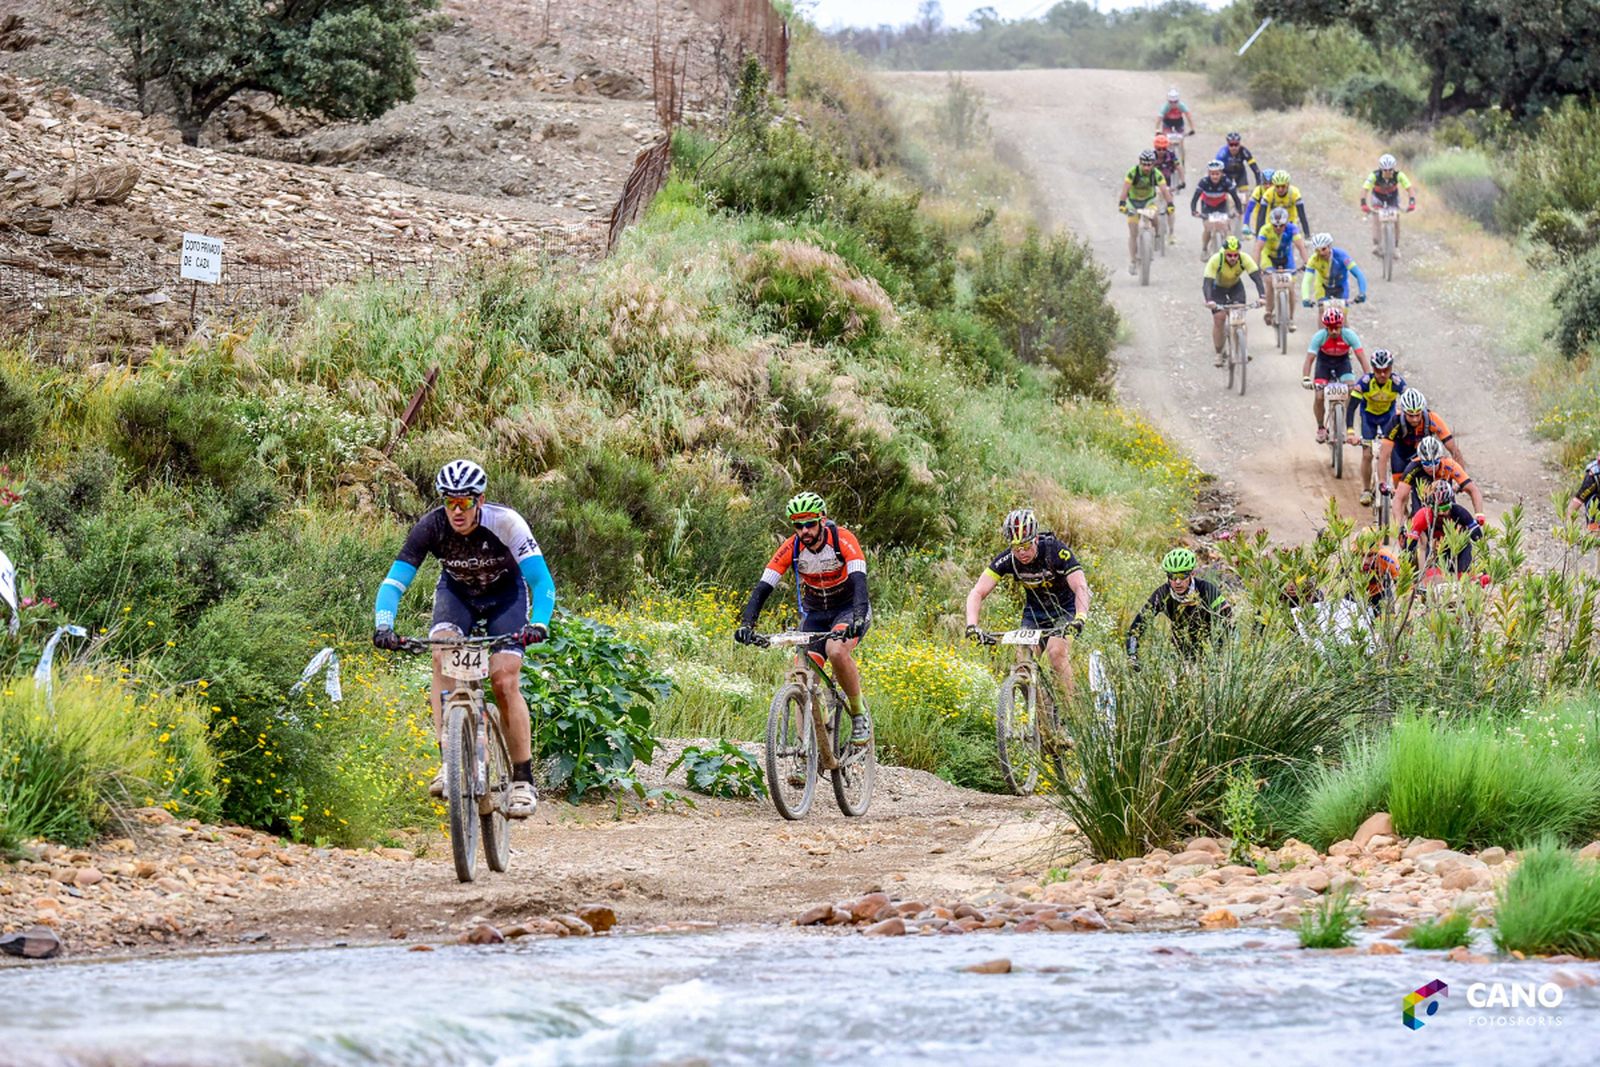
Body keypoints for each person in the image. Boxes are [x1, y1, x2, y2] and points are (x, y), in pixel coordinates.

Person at [372, 460, 555, 817]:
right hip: (458, 598)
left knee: (504, 680)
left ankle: (522, 780)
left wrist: (540, 623)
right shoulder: (431, 527)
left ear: (480, 500)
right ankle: (450, 761)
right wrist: (384, 625)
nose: (456, 511)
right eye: (449, 502)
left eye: (465, 503)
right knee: (441, 653)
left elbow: (541, 583)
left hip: (506, 597)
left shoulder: (506, 523)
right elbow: (394, 582)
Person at [735, 492, 873, 745]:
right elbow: (764, 586)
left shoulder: (843, 539)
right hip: (815, 614)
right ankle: (802, 750)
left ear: (822, 519)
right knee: (803, 676)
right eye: (798, 526)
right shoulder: (793, 547)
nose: (805, 531)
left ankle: (858, 714)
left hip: (847, 609)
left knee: (836, 651)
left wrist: (858, 617)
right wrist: (747, 624)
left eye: (810, 523)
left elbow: (859, 581)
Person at [964, 508, 1092, 700]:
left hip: (1065, 610)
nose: (1022, 552)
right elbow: (977, 592)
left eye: (1026, 546)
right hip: (1035, 613)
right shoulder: (1008, 559)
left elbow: (1081, 586)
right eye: (1016, 548)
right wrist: (972, 625)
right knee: (1023, 661)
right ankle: (1037, 716)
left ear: (1036, 539)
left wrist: (1080, 617)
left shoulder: (1055, 550)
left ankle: (1069, 713)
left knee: (1056, 652)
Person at [1125, 548, 1232, 667]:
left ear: (1192, 573)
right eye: (1172, 576)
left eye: (1182, 575)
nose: (1177, 581)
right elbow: (1135, 629)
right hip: (1179, 651)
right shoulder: (1162, 594)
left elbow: (1227, 619)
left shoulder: (1206, 589)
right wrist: (1132, 655)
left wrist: (1220, 655)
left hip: (1210, 649)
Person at [1377, 388, 1469, 502]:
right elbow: (1384, 454)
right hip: (1401, 454)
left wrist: (1461, 480)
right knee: (1400, 495)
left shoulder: (1432, 419)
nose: (1415, 419)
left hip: (1423, 457)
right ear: (1404, 412)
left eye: (1417, 414)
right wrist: (1382, 482)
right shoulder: (1396, 421)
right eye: (1410, 415)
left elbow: (1454, 450)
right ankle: (1404, 514)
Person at [1343, 348, 1407, 506]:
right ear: (1373, 369)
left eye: (1386, 370)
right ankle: (1365, 490)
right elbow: (1351, 408)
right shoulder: (1364, 383)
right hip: (1369, 418)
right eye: (1378, 371)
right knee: (1367, 454)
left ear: (1391, 369)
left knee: (1393, 453)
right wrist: (1350, 431)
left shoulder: (1397, 383)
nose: (1383, 375)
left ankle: (1397, 488)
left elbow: (1409, 404)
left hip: (1388, 418)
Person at [1301, 304, 1369, 443]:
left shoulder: (1349, 335)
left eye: (1336, 327)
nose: (1333, 331)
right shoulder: (1319, 336)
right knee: (1319, 396)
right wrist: (1306, 378)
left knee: (1351, 389)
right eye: (1330, 327)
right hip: (1324, 364)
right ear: (1325, 327)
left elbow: (1362, 357)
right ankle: (1321, 427)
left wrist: (1368, 376)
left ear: (1342, 325)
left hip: (1343, 363)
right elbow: (1309, 359)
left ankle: (1341, 421)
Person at [1202, 235, 1266, 366]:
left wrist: (1262, 296)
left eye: (1235, 255)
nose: (1233, 258)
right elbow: (1207, 283)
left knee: (1239, 317)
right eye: (1229, 255)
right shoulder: (1215, 259)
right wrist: (1209, 300)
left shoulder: (1245, 258)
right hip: (1217, 289)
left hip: (1235, 288)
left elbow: (1256, 277)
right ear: (1224, 253)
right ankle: (1219, 353)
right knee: (1219, 319)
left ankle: (1243, 349)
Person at [1395, 434, 1487, 522]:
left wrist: (1479, 514)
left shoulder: (1449, 465)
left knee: (1457, 520)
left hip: (1446, 504)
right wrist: (1398, 526)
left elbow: (1473, 490)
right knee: (1417, 523)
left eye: (1435, 462)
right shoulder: (1413, 467)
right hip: (1421, 502)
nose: (1431, 467)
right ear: (1420, 460)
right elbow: (1399, 498)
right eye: (1426, 463)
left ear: (1441, 457)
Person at [1406, 481, 1484, 579]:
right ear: (1431, 506)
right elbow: (1409, 547)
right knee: (1432, 578)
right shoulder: (1423, 516)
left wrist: (1486, 570)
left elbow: (1480, 541)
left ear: (1451, 502)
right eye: (1438, 509)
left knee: (1462, 578)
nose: (1442, 512)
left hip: (1460, 548)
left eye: (1445, 507)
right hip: (1437, 548)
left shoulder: (1460, 512)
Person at [1119, 149, 1176, 270]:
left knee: (1154, 216)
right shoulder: (1132, 172)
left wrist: (1170, 204)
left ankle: (1157, 236)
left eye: (1149, 164)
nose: (1146, 167)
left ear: (1153, 164)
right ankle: (1133, 261)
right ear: (1140, 163)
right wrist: (1122, 204)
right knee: (1133, 232)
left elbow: (1164, 190)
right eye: (1144, 164)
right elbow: (1125, 190)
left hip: (1148, 201)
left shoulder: (1156, 174)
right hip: (1133, 203)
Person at [1253, 205, 1307, 330]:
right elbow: (1258, 248)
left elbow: (1301, 247)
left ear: (1286, 223)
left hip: (1286, 258)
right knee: (1269, 280)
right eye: (1275, 225)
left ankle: (1291, 319)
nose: (1278, 228)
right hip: (1269, 257)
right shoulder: (1265, 229)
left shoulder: (1292, 228)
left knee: (1292, 288)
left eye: (1281, 225)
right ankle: (1268, 310)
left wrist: (1307, 263)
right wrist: (1255, 266)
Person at [1361, 153, 1417, 256]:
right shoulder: (1374, 175)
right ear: (1380, 169)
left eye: (1390, 170)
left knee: (1396, 219)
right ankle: (1377, 244)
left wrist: (1412, 202)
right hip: (1378, 197)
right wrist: (1363, 203)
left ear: (1394, 169)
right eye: (1385, 170)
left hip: (1393, 198)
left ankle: (1395, 247)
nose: (1388, 172)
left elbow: (1410, 188)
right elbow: (1365, 189)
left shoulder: (1399, 175)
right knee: (1376, 216)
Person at [1300, 232, 1369, 310]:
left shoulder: (1342, 256)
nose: (1321, 253)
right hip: (1322, 287)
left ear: (1329, 246)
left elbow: (1358, 274)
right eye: (1317, 251)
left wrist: (1362, 293)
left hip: (1341, 286)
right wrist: (1305, 298)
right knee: (1322, 310)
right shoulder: (1313, 259)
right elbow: (1306, 280)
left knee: (1343, 312)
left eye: (1323, 249)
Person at [1190, 159, 1243, 256]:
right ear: (1208, 173)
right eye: (1212, 174)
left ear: (1221, 173)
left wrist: (1238, 210)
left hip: (1221, 205)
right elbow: (1195, 198)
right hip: (1207, 206)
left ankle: (1231, 249)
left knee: (1226, 228)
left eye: (1217, 174)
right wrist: (1194, 211)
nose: (1215, 176)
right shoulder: (1203, 182)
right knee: (1207, 228)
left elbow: (1235, 197)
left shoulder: (1226, 182)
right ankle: (1204, 249)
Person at [1248, 169, 1309, 234]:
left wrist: (1307, 235)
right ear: (1274, 185)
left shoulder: (1295, 193)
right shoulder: (1268, 194)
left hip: (1290, 223)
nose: (1280, 189)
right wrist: (1258, 235)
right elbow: (1261, 217)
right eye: (1277, 187)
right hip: (1272, 224)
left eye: (1283, 186)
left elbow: (1302, 216)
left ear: (1288, 185)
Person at [1568, 450, 1600, 532]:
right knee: (1593, 502)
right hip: (1596, 498)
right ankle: (1594, 534)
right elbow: (1578, 500)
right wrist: (1569, 525)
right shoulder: (1592, 477)